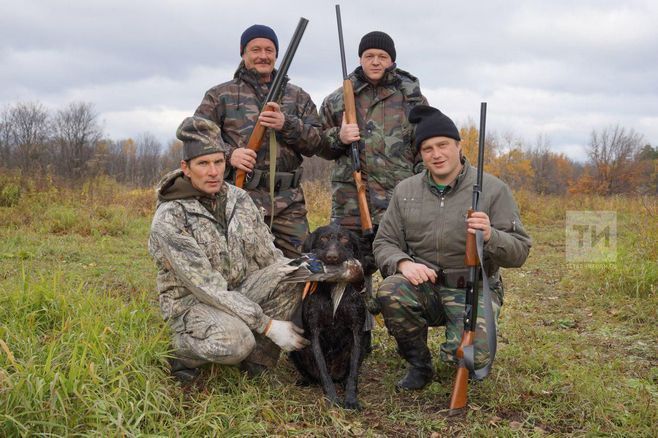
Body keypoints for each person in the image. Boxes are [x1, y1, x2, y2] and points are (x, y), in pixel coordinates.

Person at [149, 116, 362, 381]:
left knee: (292, 274)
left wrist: (340, 271)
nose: (214, 171)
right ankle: (180, 353)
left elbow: (271, 259)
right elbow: (207, 288)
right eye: (203, 164)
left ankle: (257, 360)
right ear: (186, 167)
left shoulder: (238, 199)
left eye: (218, 161)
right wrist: (269, 326)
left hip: (238, 290)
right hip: (194, 304)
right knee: (235, 341)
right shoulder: (170, 218)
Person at [373, 105, 531, 390]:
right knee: (391, 291)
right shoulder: (405, 191)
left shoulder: (493, 189)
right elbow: (384, 242)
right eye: (428, 148)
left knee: (470, 361)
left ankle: (463, 356)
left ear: (458, 146)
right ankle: (419, 365)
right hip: (426, 287)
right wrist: (403, 263)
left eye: (443, 145)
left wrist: (491, 235)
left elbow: (520, 251)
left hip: (473, 288)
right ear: (420, 155)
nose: (436, 154)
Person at [317, 30, 429, 329]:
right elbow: (318, 144)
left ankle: (408, 340)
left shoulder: (412, 96)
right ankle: (355, 336)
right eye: (369, 56)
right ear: (360, 59)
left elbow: (425, 147)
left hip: (400, 201)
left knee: (403, 269)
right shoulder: (338, 99)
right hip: (351, 202)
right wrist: (338, 137)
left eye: (382, 56)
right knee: (349, 270)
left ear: (392, 60)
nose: (375, 61)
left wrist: (423, 190)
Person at [195, 24, 323, 258]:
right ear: (243, 53)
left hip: (289, 203)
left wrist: (287, 124)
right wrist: (229, 154)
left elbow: (318, 142)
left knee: (301, 269)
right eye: (255, 49)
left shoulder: (298, 96)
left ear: (276, 55)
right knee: (240, 265)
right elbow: (196, 134)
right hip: (239, 197)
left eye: (269, 50)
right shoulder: (220, 94)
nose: (263, 56)